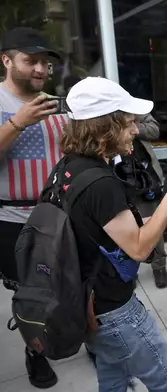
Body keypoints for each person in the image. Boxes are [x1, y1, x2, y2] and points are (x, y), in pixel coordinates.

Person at [60, 76, 167, 391]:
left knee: (114, 381)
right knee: (165, 382)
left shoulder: (70, 166)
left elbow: (105, 228)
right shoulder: (100, 182)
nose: (136, 130)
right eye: (128, 123)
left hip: (90, 305)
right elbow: (137, 249)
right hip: (116, 311)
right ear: (103, 126)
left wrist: (163, 219)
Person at [0, 27, 64, 389]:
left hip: (58, 215)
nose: (40, 69)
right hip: (12, 221)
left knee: (74, 283)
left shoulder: (56, 104)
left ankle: (75, 335)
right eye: (30, 61)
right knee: (30, 297)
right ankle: (36, 352)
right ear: (6, 60)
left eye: (45, 63)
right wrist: (17, 122)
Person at [133, 113, 167, 289]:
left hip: (145, 179)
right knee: (124, 228)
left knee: (154, 224)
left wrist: (133, 127)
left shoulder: (133, 107)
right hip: (115, 178)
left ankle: (159, 267)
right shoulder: (99, 114)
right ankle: (129, 270)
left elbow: (154, 130)